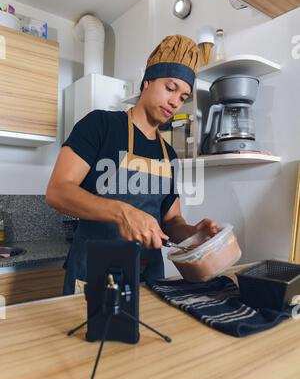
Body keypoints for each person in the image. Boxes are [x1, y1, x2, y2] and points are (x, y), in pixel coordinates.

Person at [46, 34, 219, 294]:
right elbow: (58, 191)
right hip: (93, 276)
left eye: (183, 96)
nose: (175, 101)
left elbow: (171, 219)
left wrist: (194, 234)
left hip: (147, 281)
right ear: (147, 82)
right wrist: (122, 212)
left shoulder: (169, 154)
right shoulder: (100, 126)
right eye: (170, 88)